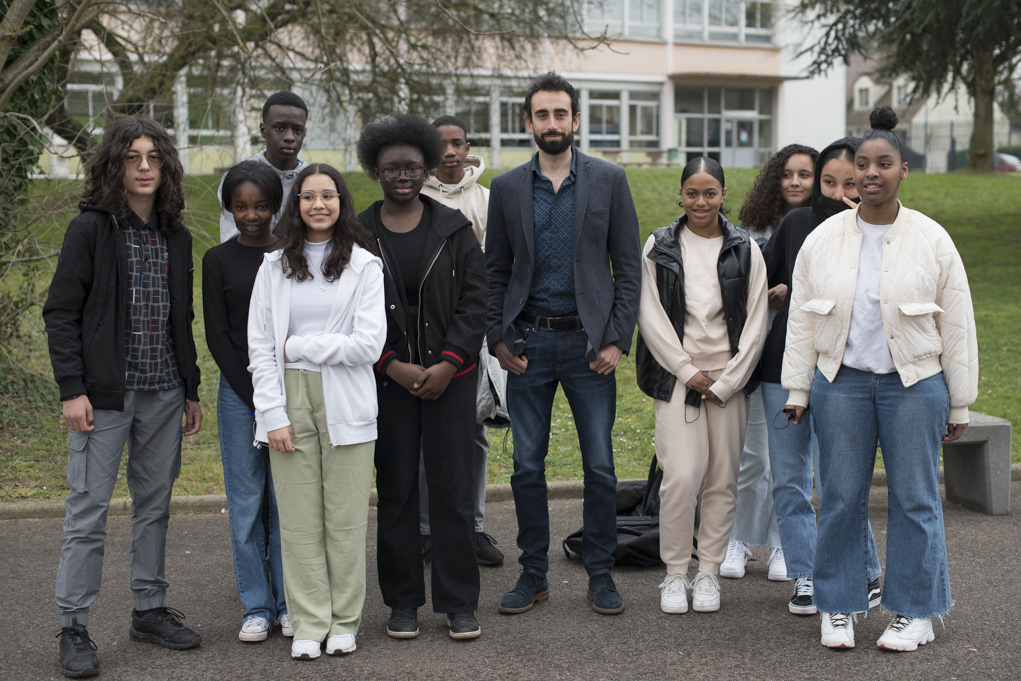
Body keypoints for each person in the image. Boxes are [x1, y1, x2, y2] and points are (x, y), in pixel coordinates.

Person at [783, 106, 977, 651]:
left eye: (883, 164)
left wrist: (959, 402)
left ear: (903, 170)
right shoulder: (822, 239)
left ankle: (914, 612)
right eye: (862, 164)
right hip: (839, 383)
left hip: (914, 386)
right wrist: (798, 389)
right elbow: (801, 318)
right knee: (840, 496)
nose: (871, 173)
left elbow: (957, 321)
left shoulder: (932, 239)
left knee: (916, 498)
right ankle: (839, 605)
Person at [43, 116, 203, 678]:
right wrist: (72, 390)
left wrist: (191, 388)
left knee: (153, 507)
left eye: (153, 157)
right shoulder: (89, 229)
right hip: (103, 399)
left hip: (164, 393)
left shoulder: (174, 235)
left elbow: (180, 318)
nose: (143, 166)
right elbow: (61, 312)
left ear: (166, 167)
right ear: (114, 164)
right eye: (132, 156)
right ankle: (73, 626)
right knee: (87, 511)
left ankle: (149, 609)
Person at [487, 72, 642, 616]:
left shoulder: (608, 180)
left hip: (590, 349)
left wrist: (617, 340)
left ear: (576, 120)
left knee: (600, 466)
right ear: (527, 122)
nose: (551, 123)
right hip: (527, 345)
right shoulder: (507, 188)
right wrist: (498, 338)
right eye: (541, 115)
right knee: (527, 466)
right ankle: (534, 574)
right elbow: (494, 270)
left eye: (561, 114)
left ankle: (600, 572)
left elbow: (628, 268)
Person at [356, 113, 486, 640]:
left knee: (453, 491)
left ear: (428, 167)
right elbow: (349, 310)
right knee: (398, 491)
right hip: (388, 383)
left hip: (449, 381)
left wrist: (449, 363)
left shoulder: (452, 229)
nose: (403, 176)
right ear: (376, 170)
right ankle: (404, 603)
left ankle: (458, 604)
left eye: (413, 167)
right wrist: (391, 363)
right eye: (392, 168)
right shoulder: (358, 233)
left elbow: (476, 302)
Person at [247, 163, 385, 660]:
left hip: (346, 401)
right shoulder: (273, 266)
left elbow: (367, 345)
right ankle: (308, 622)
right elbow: (262, 348)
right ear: (296, 204)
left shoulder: (365, 266)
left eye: (328, 195)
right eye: (309, 196)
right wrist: (272, 415)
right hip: (288, 399)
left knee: (345, 520)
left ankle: (344, 621)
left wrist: (299, 345)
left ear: (341, 202)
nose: (319, 204)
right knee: (300, 521)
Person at [636, 157, 768, 614]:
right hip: (680, 378)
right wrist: (685, 370)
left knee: (722, 480)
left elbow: (756, 322)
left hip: (728, 381)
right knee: (681, 477)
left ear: (723, 195)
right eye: (692, 192)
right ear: (681, 194)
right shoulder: (660, 245)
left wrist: (728, 381)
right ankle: (675, 574)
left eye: (709, 192)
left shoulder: (746, 249)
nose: (700, 201)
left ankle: (708, 572)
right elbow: (649, 315)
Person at [760, 137, 884, 616]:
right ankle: (807, 575)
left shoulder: (876, 230)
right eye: (827, 182)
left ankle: (866, 570)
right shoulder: (796, 224)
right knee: (789, 480)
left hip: (841, 373)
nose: (836, 193)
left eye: (847, 183)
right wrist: (777, 292)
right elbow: (761, 282)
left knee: (841, 480)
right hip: (782, 369)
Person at [722, 144, 818, 582]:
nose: (796, 182)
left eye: (806, 174)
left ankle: (784, 545)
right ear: (775, 178)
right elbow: (733, 286)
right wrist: (766, 293)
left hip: (806, 359)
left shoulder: (827, 225)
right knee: (754, 457)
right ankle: (739, 539)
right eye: (788, 174)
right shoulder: (751, 229)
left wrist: (789, 292)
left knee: (796, 464)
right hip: (759, 357)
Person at [202, 160, 288, 642]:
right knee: (247, 503)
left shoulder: (290, 254)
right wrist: (255, 396)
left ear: (275, 207)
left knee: (285, 502)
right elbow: (217, 335)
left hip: (288, 393)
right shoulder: (217, 260)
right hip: (239, 396)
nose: (251, 216)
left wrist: (276, 396)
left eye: (260, 206)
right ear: (229, 209)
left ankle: (288, 602)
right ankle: (256, 604)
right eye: (240, 207)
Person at [417, 114, 504, 567]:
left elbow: (491, 268)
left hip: (472, 331)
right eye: (441, 145)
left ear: (469, 147)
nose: (450, 152)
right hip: (421, 332)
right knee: (422, 436)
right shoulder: (412, 196)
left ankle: (472, 528)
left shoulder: (489, 199)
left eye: (458, 143)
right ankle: (427, 530)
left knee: (472, 430)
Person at [218, 91, 309, 242]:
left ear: (304, 133)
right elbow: (231, 242)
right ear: (263, 130)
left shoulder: (313, 180)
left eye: (297, 130)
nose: (289, 137)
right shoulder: (239, 179)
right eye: (279, 128)